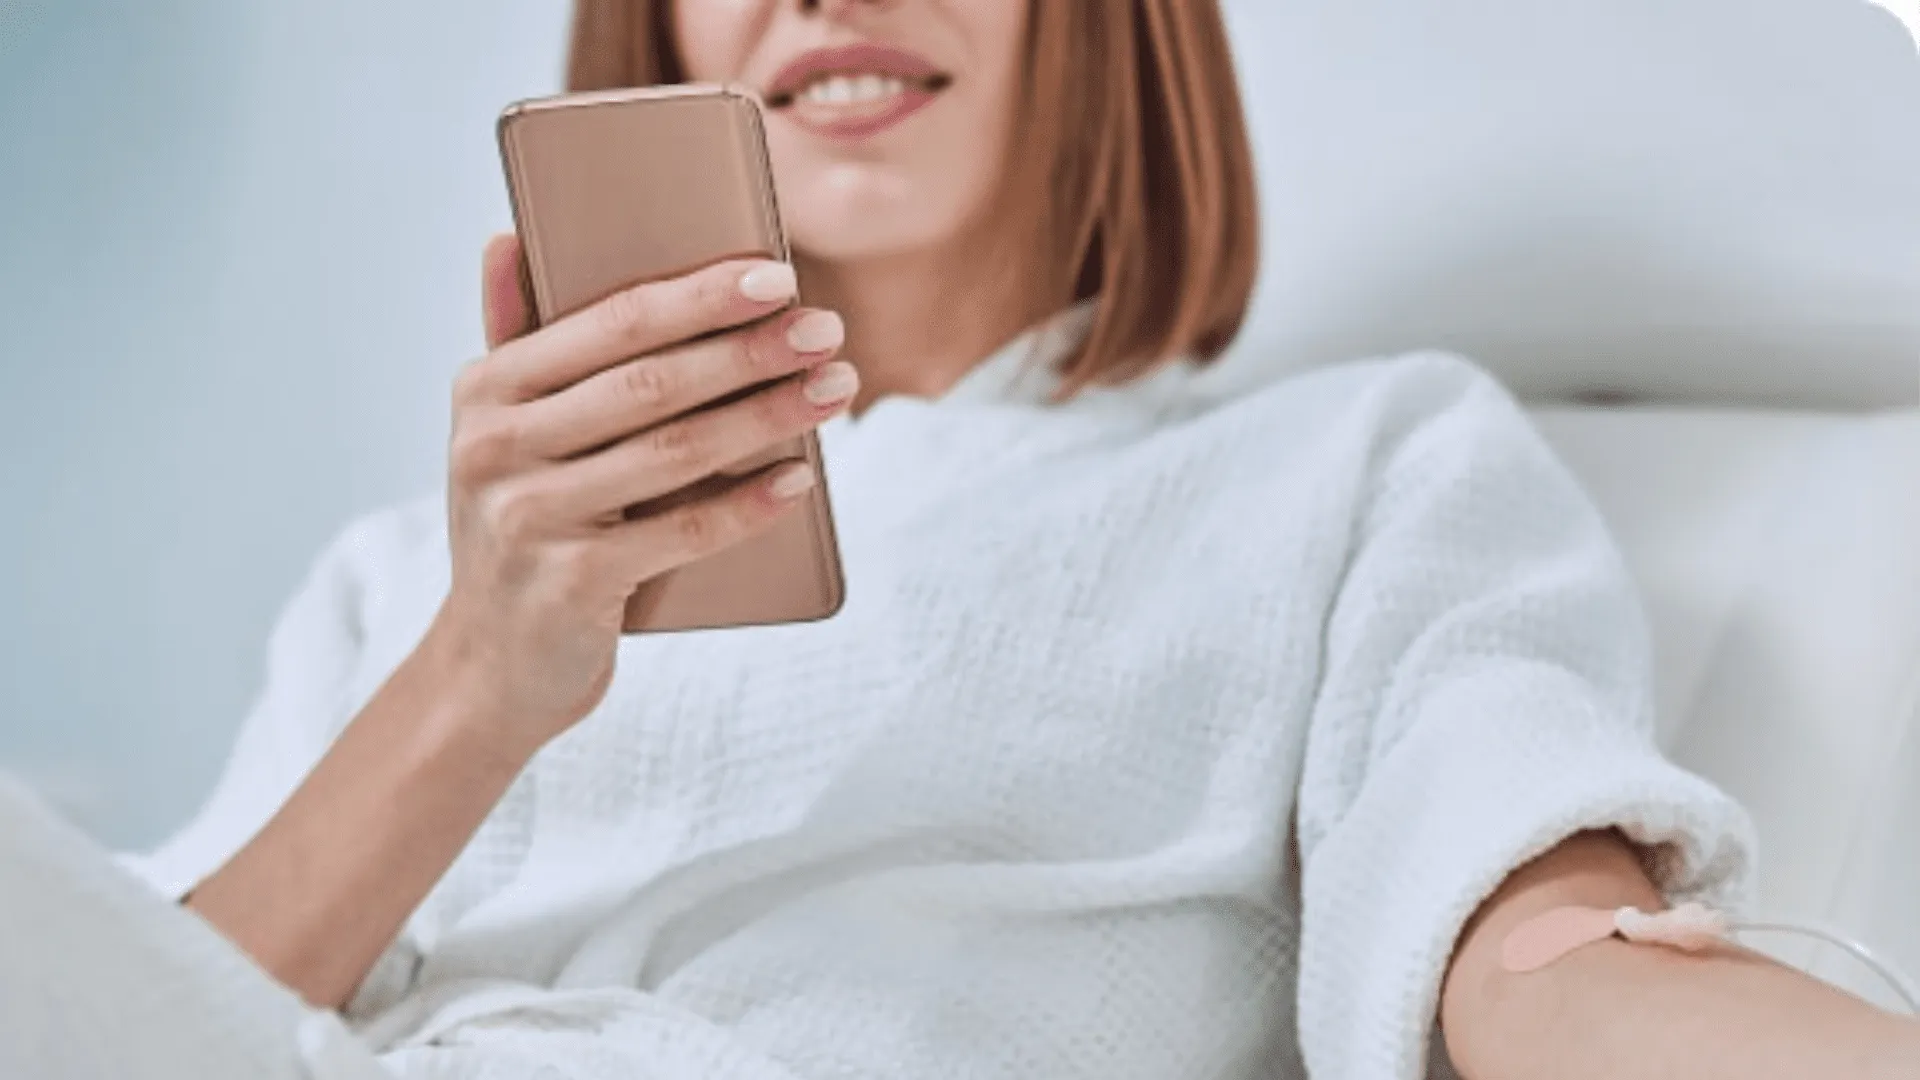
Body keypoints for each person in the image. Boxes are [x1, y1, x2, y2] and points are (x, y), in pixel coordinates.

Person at [70, 0, 1917, 1077]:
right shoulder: (423, 577)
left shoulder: (1355, 467)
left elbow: (1543, 957)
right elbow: (120, 1026)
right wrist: (478, 681)